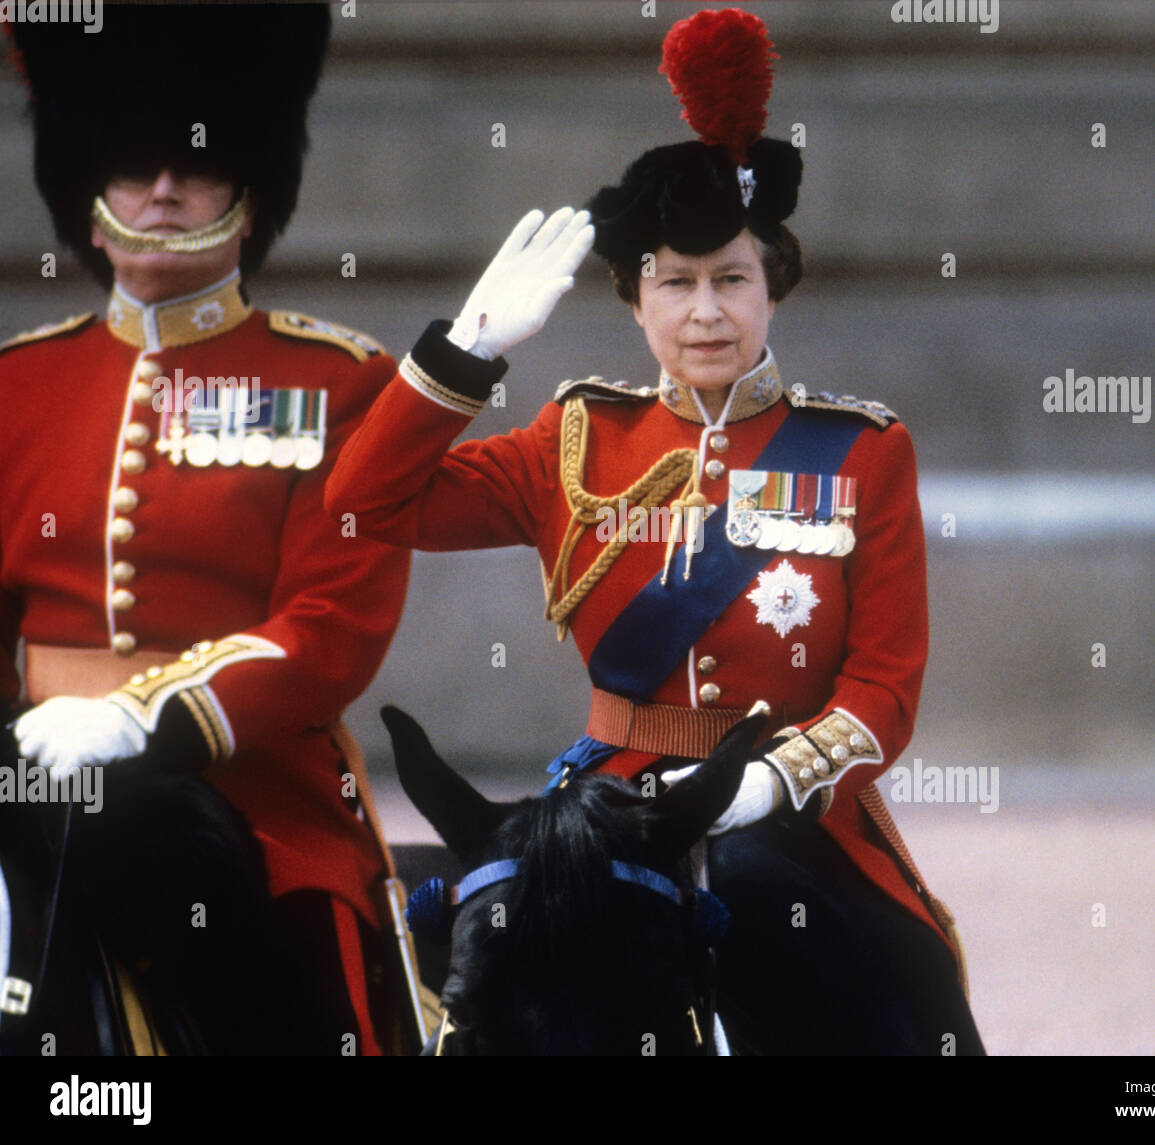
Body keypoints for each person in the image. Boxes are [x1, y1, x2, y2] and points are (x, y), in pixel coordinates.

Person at [327, 8, 982, 1054]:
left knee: (892, 983)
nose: (706, 311)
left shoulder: (861, 452)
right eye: (674, 282)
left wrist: (771, 779)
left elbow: (884, 689)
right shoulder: (577, 436)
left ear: (774, 286)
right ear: (635, 302)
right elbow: (361, 505)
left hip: (797, 815)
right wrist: (464, 354)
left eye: (731, 277)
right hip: (608, 805)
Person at [1, 6, 412, 1054]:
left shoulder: (336, 381)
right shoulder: (18, 383)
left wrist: (153, 721)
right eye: (131, 166)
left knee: (303, 986)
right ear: (89, 205)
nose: (165, 190)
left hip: (249, 779)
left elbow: (330, 629)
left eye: (197, 165)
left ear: (249, 194)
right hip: (25, 768)